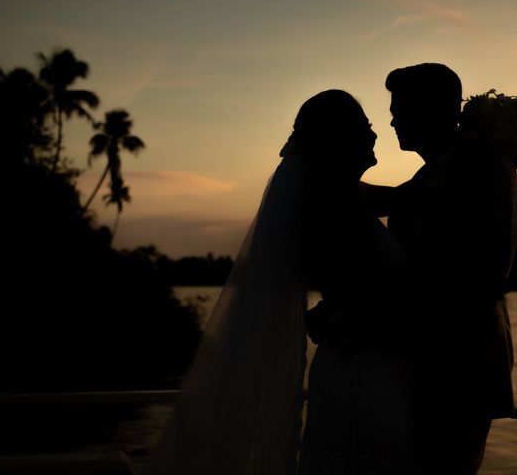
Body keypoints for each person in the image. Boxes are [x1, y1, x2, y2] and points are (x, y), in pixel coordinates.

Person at [146, 89, 413, 474]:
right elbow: (367, 303)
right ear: (338, 140)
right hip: (364, 373)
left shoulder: (338, 199)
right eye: (365, 127)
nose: (374, 137)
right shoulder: (340, 206)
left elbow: (406, 198)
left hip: (359, 367)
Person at [384, 63, 517, 474]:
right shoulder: (429, 173)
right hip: (424, 362)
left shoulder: (487, 168)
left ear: (435, 109)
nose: (392, 119)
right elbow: (391, 203)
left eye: (400, 107)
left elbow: (483, 274)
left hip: (463, 362)